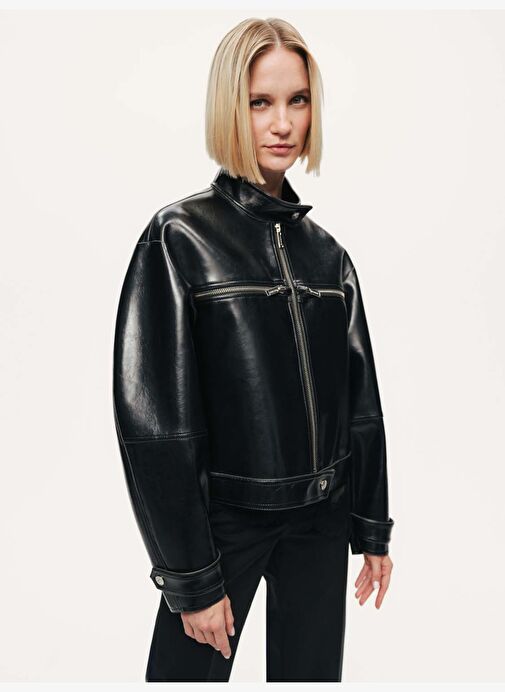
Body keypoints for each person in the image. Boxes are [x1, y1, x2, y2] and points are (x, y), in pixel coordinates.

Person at [112, 17, 395, 683]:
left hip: (320, 521)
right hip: (226, 525)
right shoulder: (179, 237)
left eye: (298, 100)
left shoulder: (328, 256)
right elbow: (155, 424)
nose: (282, 123)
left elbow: (360, 404)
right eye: (260, 102)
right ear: (228, 108)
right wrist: (190, 575)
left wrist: (370, 527)